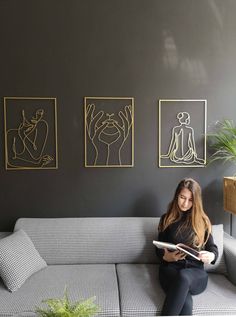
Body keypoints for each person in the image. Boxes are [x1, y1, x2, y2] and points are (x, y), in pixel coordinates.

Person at [156, 178, 218, 316]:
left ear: (196, 201)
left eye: (190, 200)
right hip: (170, 270)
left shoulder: (203, 221)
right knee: (185, 300)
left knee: (184, 277)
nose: (185, 203)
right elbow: (158, 249)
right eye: (182, 197)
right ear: (176, 195)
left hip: (196, 274)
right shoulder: (166, 219)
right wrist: (166, 256)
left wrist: (211, 256)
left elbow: (213, 248)